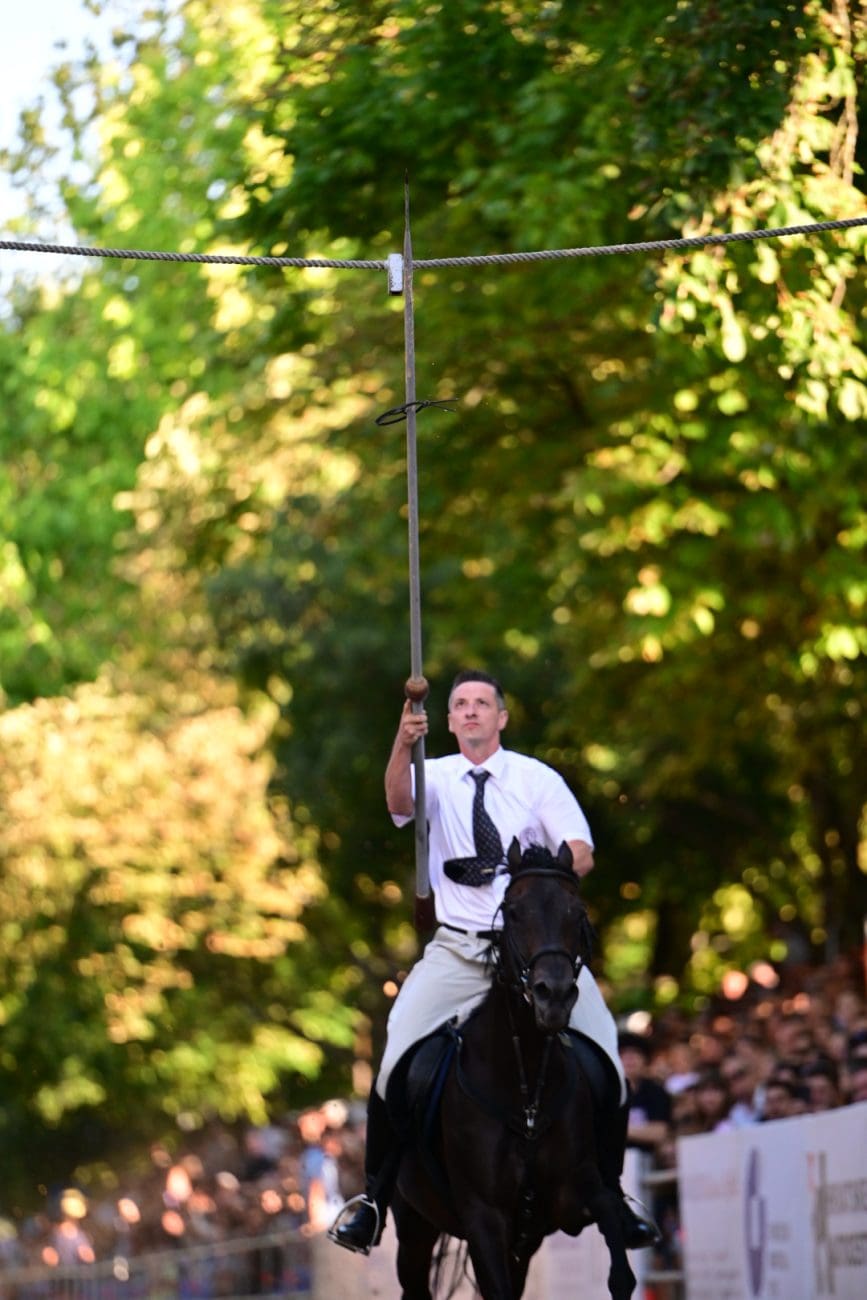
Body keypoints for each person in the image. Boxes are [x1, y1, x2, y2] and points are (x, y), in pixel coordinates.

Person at [330, 669, 659, 1254]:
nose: (471, 711)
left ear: (501, 717)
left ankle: (613, 1195)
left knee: (607, 1056)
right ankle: (373, 1200)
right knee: (393, 1058)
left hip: (534, 950)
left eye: (482, 703)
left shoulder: (536, 778)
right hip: (460, 947)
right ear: (448, 720)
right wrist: (403, 742)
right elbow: (398, 801)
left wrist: (540, 870)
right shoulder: (433, 773)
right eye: (460, 704)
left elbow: (581, 851)